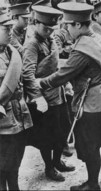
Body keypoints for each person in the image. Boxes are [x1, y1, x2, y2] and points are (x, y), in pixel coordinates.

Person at [37, 1, 101, 190]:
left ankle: (92, 184)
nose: (65, 28)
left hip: (94, 104)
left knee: (90, 145)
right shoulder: (96, 38)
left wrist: (41, 82)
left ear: (78, 25)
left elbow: (63, 75)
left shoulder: (82, 48)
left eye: (68, 25)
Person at [22, 5, 75, 182]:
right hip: (44, 98)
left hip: (58, 93)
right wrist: (37, 97)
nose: (48, 32)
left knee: (62, 130)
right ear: (36, 23)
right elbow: (28, 74)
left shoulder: (50, 40)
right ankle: (49, 168)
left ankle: (57, 160)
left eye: (51, 28)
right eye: (45, 28)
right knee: (47, 136)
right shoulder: (32, 44)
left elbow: (57, 65)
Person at [0, 9, 32, 191]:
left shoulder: (11, 52)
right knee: (2, 165)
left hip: (18, 115)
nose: (10, 31)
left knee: (15, 160)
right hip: (2, 120)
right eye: (5, 28)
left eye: (11, 27)